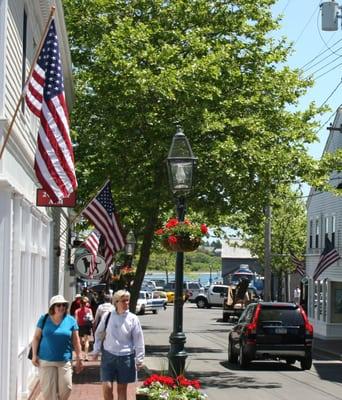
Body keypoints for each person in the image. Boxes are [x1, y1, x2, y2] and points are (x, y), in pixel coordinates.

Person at [92, 290, 144, 400]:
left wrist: (139, 359)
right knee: (107, 387)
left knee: (121, 389)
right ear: (116, 302)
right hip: (108, 356)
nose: (126, 303)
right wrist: (96, 350)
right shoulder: (108, 316)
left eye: (127, 300)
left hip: (126, 357)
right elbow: (99, 333)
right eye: (123, 301)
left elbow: (139, 340)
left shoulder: (133, 318)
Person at [30, 295, 83, 400]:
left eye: (64, 305)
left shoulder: (71, 320)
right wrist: (34, 355)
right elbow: (36, 337)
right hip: (46, 360)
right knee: (49, 393)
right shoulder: (44, 319)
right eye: (58, 305)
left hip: (64, 361)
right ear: (52, 307)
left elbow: (76, 341)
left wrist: (79, 357)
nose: (61, 307)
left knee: (66, 389)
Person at [75, 296, 94, 361]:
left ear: (80, 304)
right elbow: (92, 319)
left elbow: (76, 320)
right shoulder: (89, 310)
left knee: (80, 342)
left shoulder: (77, 311)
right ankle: (86, 356)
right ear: (86, 303)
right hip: (87, 326)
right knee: (86, 341)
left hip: (80, 326)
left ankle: (80, 355)